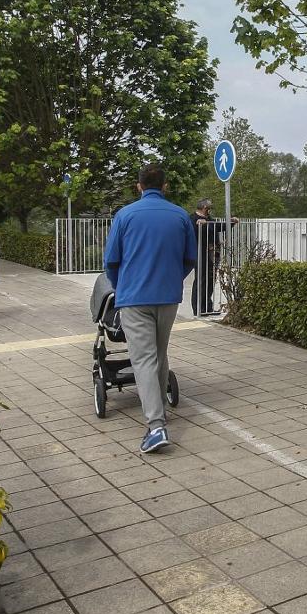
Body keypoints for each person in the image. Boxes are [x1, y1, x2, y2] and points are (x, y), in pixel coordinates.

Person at [104, 164, 197, 454]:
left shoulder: (125, 215)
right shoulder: (181, 215)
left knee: (143, 359)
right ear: (165, 186)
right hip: (168, 298)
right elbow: (189, 259)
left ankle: (156, 426)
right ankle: (160, 412)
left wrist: (123, 288)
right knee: (159, 353)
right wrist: (171, 282)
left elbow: (111, 261)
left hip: (134, 298)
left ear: (138, 186)